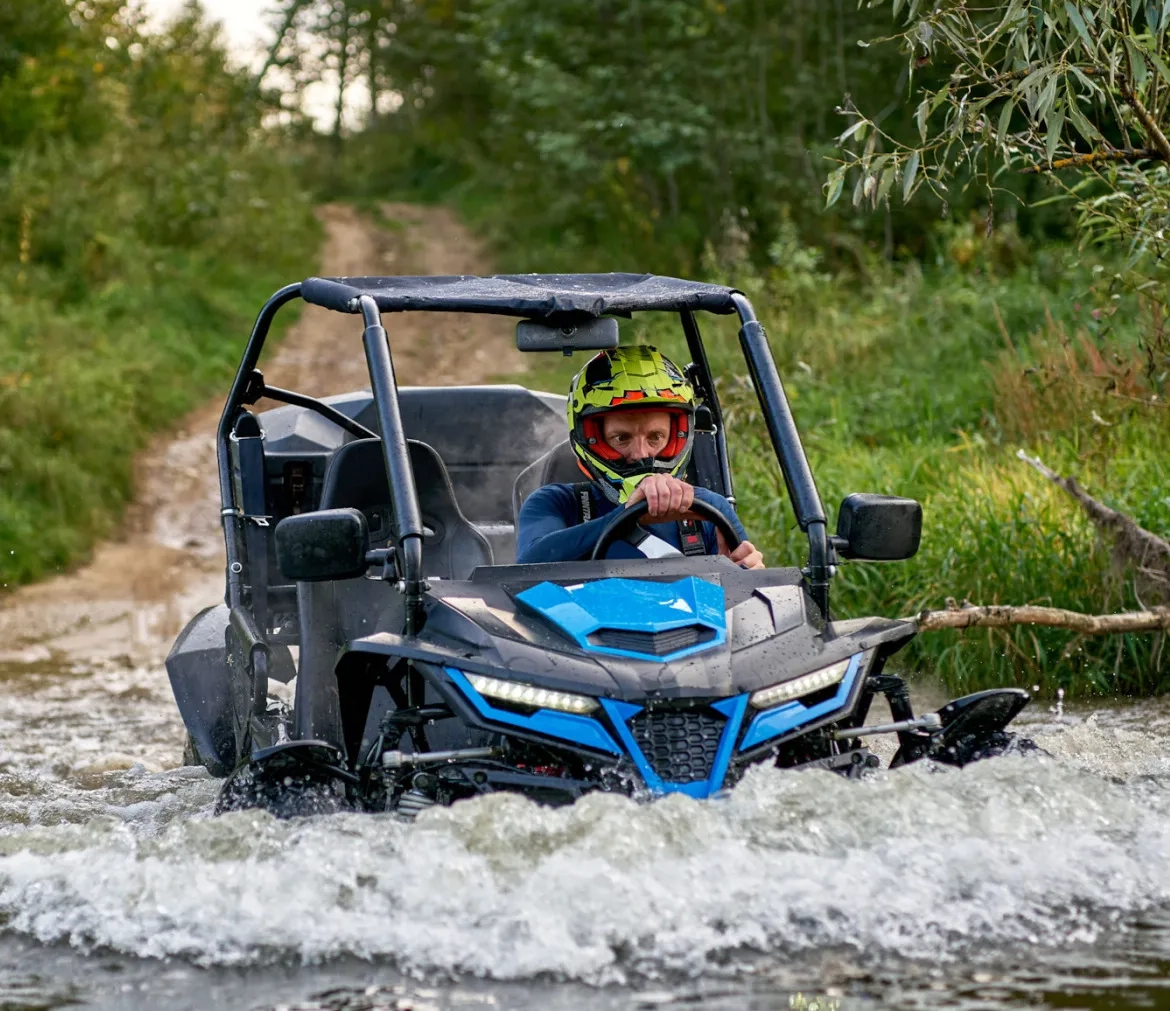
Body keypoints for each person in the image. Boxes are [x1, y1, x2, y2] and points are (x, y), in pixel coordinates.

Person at [516, 345, 765, 567]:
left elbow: (747, 601)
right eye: (622, 438)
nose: (641, 454)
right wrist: (629, 514)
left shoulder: (708, 509)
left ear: (676, 437)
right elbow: (527, 567)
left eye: (655, 437)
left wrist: (750, 572)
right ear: (591, 439)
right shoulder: (555, 503)